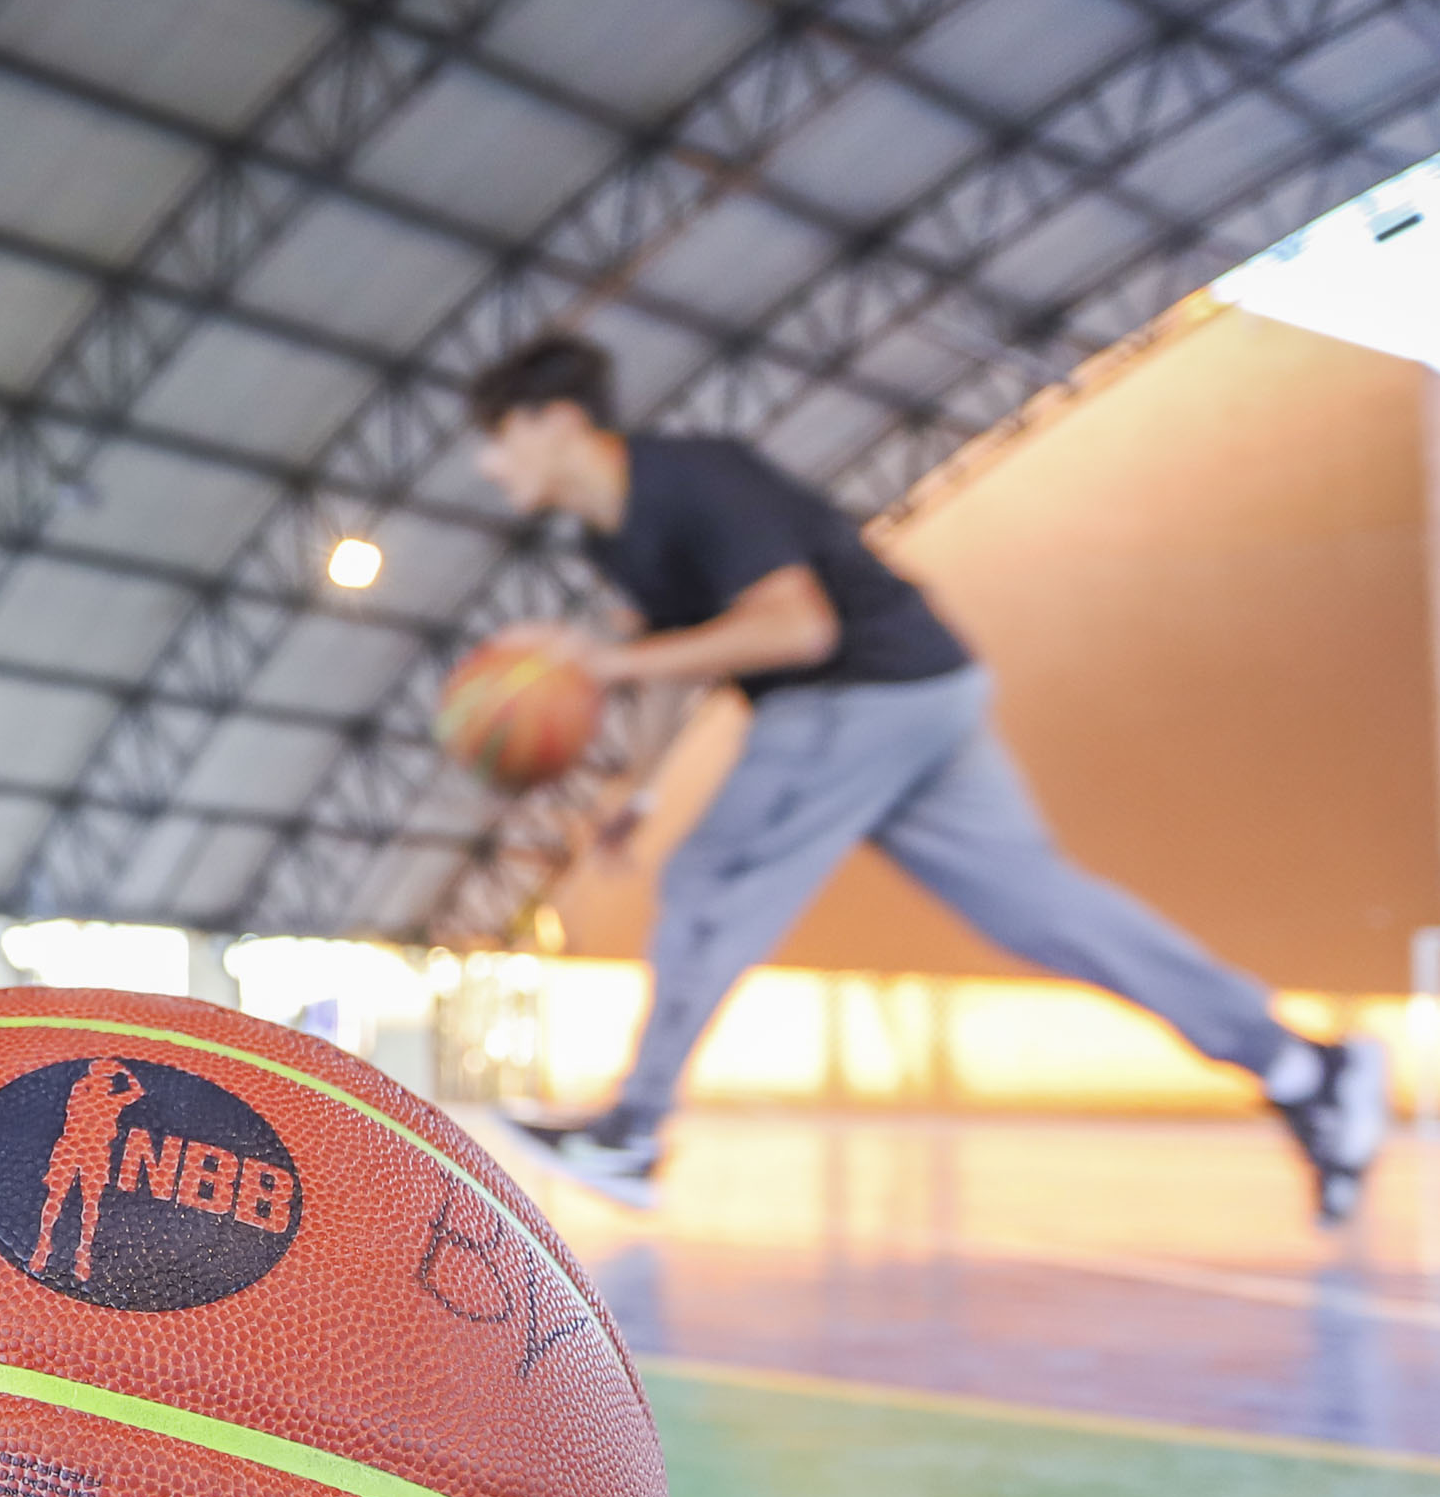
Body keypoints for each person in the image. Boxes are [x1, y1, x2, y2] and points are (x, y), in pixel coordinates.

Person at [461, 332, 1387, 1222]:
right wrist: (645, 789)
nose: (489, 470)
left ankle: (631, 1129)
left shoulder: (692, 477)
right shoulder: (606, 535)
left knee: (712, 879)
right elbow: (664, 649)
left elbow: (798, 628)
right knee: (1041, 910)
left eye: (496, 440)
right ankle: (1305, 1069)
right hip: (926, 688)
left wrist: (599, 667)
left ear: (556, 420)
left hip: (857, 687)